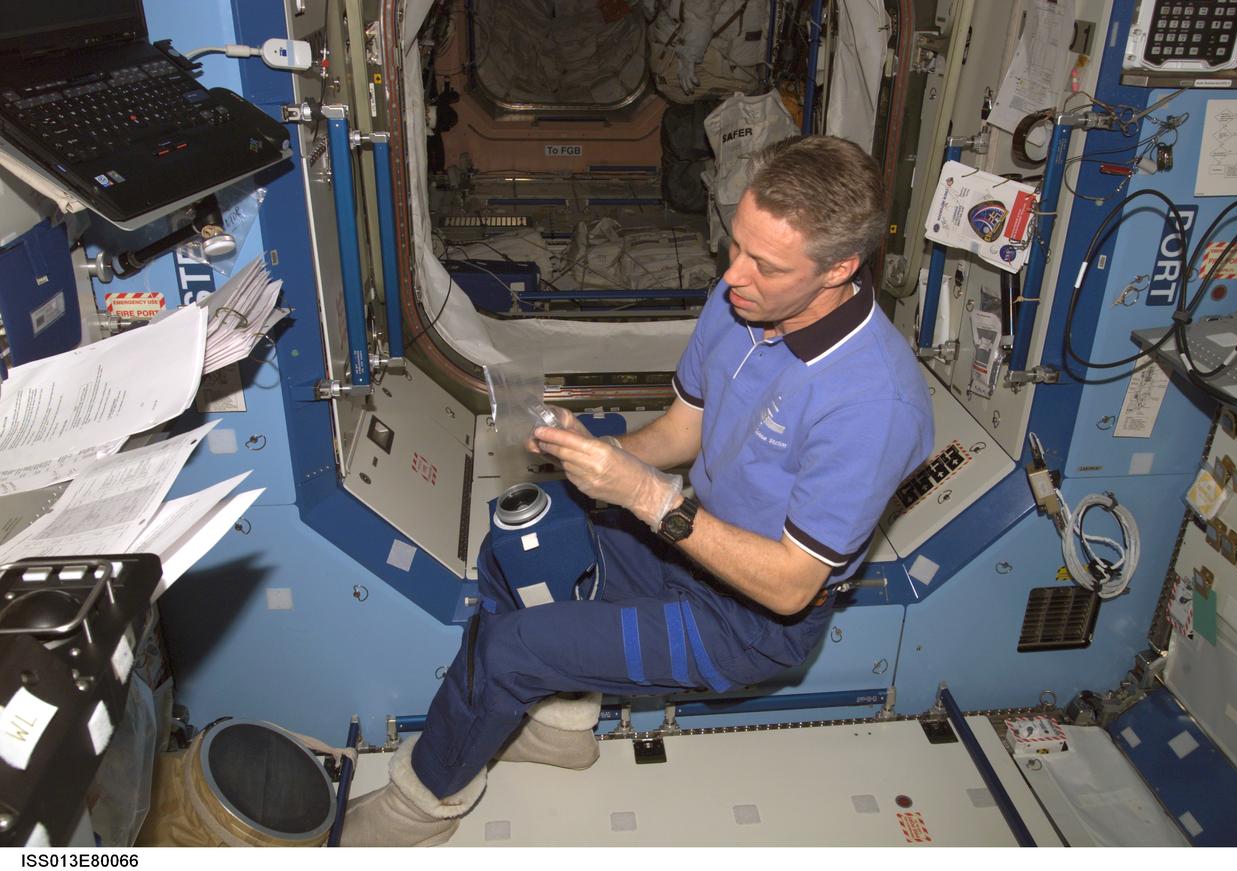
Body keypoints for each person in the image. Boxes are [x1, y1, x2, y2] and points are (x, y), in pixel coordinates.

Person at [343, 135, 934, 847]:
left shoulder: (874, 401)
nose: (732, 275)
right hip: (687, 541)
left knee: (508, 650)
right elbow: (684, 430)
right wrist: (599, 454)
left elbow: (789, 587)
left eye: (765, 264)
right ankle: (560, 728)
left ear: (841, 267)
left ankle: (421, 806)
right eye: (735, 245)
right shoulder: (742, 301)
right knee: (518, 544)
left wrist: (647, 496)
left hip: (747, 621)